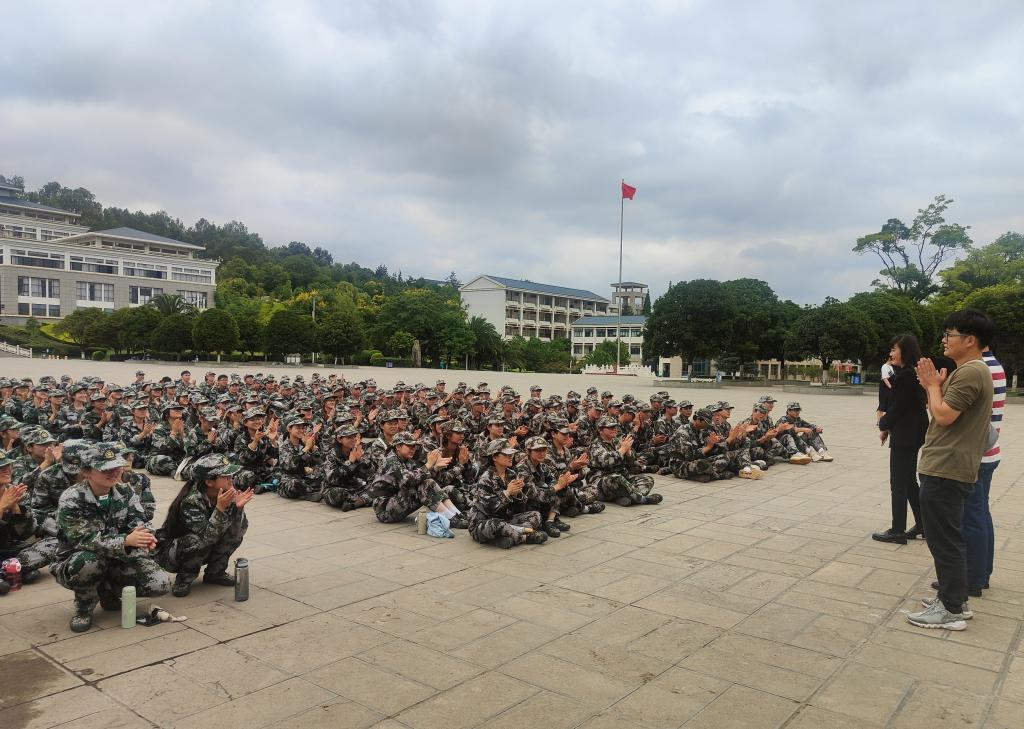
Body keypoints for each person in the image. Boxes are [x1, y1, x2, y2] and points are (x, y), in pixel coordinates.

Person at [908, 309, 995, 631]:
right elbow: (945, 412)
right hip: (948, 465)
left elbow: (944, 417)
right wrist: (936, 388)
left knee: (944, 540)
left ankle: (951, 609)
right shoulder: (970, 370)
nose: (944, 339)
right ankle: (953, 598)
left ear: (970, 340)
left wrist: (932, 386)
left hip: (947, 467)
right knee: (948, 537)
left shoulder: (972, 371)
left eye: (950, 334)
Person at [50, 444, 170, 632]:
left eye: (117, 466)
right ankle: (84, 607)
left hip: (117, 558)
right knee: (89, 562)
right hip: (77, 560)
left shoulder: (125, 492)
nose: (113, 472)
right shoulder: (72, 498)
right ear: (87, 471)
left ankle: (106, 591)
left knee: (160, 582)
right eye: (105, 468)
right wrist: (125, 541)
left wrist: (146, 536)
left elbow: (139, 519)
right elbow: (83, 540)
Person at [157, 453, 252, 597]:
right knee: (195, 540)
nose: (230, 478)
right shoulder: (191, 501)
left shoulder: (224, 494)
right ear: (209, 482)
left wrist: (237, 509)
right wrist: (220, 509)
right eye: (225, 475)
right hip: (173, 554)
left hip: (204, 545)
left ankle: (215, 573)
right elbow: (207, 537)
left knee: (235, 532)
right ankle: (184, 579)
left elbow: (239, 529)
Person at [874, 333, 929, 544]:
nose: (891, 353)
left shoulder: (906, 374)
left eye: (894, 349)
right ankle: (923, 524)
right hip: (912, 432)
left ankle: (897, 530)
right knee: (908, 480)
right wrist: (888, 425)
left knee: (898, 483)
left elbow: (898, 407)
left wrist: (883, 423)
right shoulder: (909, 372)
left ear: (905, 351)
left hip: (906, 434)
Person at [962, 345, 1004, 596]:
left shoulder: (981, 368)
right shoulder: (992, 365)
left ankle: (973, 579)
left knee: (971, 517)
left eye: (950, 334)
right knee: (980, 514)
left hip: (977, 455)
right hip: (988, 453)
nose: (945, 340)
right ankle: (981, 573)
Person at [877, 354, 896, 422]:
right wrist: (891, 387)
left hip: (890, 388)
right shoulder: (884, 366)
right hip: (884, 389)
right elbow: (885, 379)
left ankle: (886, 420)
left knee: (889, 404)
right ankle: (879, 421)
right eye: (893, 359)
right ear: (889, 359)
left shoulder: (890, 367)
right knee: (882, 405)